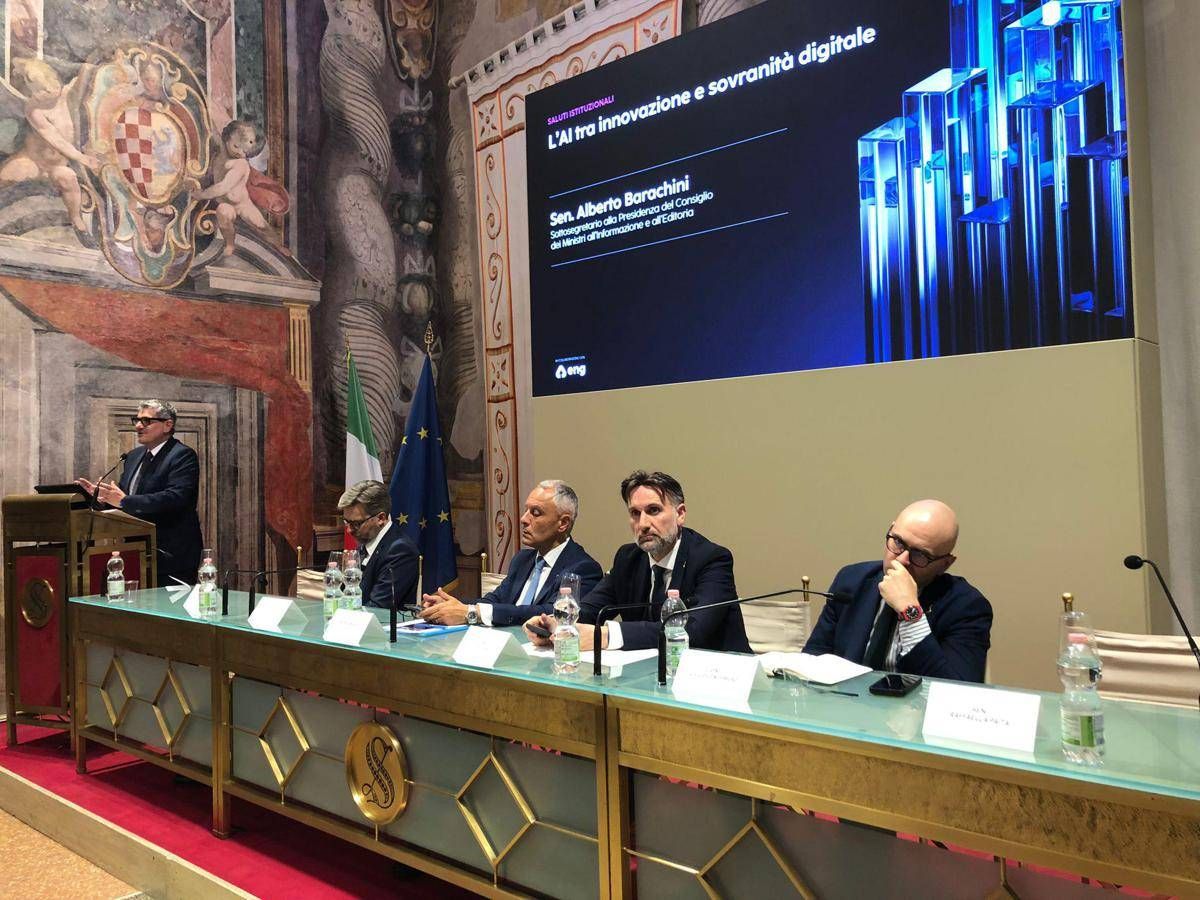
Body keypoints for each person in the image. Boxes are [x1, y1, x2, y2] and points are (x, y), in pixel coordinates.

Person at [524, 470, 751, 654]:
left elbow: (693, 631)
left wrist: (607, 636)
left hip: (716, 678)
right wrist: (555, 623)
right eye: (635, 513)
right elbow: (591, 609)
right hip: (648, 676)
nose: (643, 524)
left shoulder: (712, 559)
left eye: (653, 510)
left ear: (680, 514)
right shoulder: (628, 558)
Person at [803, 499, 992, 683]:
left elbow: (956, 691)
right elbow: (813, 661)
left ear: (945, 564)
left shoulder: (967, 607)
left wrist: (910, 612)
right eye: (899, 542)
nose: (902, 560)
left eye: (920, 554)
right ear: (891, 530)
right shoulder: (851, 581)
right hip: (846, 701)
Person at [420, 480, 602, 626]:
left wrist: (471, 612)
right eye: (526, 510)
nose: (523, 519)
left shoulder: (583, 569)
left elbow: (551, 613)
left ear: (563, 523)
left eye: (535, 513)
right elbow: (495, 600)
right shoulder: (522, 559)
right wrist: (451, 606)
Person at [76, 400, 203, 585]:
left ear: (168, 425)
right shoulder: (133, 456)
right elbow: (124, 499)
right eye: (136, 420)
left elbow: (176, 498)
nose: (138, 426)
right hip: (134, 551)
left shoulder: (182, 455)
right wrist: (100, 498)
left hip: (171, 553)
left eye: (146, 421)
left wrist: (124, 501)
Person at [338, 480, 419, 609]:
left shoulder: (400, 550)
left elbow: (378, 607)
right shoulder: (365, 544)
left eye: (356, 524)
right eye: (346, 522)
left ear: (381, 518)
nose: (349, 530)